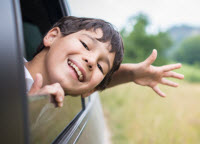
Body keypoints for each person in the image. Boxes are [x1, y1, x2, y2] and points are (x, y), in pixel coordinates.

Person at [25, 16, 184, 107]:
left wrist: (130, 74)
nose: (92, 61)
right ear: (52, 36)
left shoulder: (53, 101)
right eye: (85, 44)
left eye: (101, 67)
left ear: (89, 91)